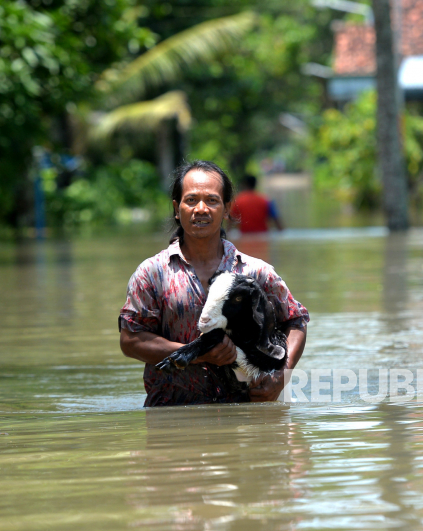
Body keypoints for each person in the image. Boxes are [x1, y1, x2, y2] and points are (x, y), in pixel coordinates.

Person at [119, 161, 309, 407]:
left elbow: (296, 321)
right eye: (191, 200)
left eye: (211, 200)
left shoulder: (257, 272)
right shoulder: (152, 274)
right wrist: (194, 353)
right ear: (177, 209)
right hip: (172, 419)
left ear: (227, 209)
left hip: (247, 421)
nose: (201, 209)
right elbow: (130, 341)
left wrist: (281, 375)